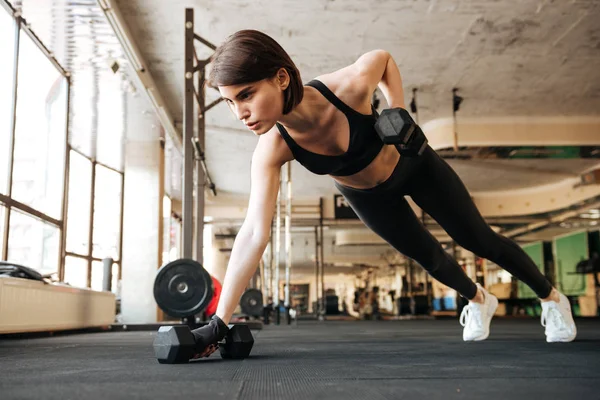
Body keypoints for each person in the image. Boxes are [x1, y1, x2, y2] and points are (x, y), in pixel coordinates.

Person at [190, 30, 577, 357]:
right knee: (429, 257)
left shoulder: (346, 88)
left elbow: (381, 58)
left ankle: (552, 299)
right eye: (229, 101)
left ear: (281, 78)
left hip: (414, 165)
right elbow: (254, 234)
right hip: (367, 196)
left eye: (245, 95)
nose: (238, 112)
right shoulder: (272, 149)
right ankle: (478, 300)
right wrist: (220, 321)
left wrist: (397, 109)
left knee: (477, 240)